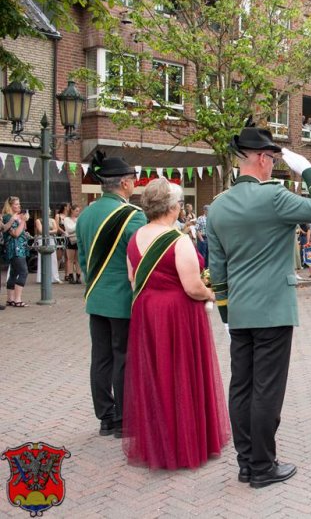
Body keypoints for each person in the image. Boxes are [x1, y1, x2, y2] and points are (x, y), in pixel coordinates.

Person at [206, 126, 311, 488]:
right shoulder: (274, 197)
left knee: (242, 387)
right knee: (267, 389)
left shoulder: (217, 206)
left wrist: (227, 314)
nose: (274, 166)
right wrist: (308, 169)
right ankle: (263, 466)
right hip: (274, 309)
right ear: (262, 158)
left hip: (239, 311)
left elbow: (217, 269)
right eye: (273, 159)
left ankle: (247, 462)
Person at [123, 178, 229, 470]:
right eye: (180, 203)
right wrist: (212, 293)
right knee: (181, 374)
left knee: (157, 376)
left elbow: (133, 279)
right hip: (177, 315)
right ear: (171, 207)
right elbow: (192, 287)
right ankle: (184, 443)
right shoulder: (177, 240)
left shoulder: (135, 237)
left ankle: (157, 442)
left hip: (146, 312)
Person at [77, 152, 148, 438]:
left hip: (96, 296)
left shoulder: (86, 214)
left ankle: (105, 417)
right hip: (122, 299)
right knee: (124, 357)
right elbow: (142, 257)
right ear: (125, 183)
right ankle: (123, 418)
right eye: (132, 179)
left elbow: (83, 259)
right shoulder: (132, 215)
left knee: (101, 358)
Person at [2, 197, 30, 307]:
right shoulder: (8, 217)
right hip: (15, 248)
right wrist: (23, 220)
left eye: (19, 204)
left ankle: (10, 299)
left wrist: (22, 221)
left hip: (20, 248)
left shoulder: (15, 217)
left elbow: (22, 231)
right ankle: (18, 299)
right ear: (10, 206)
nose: (19, 206)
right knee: (23, 272)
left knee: (14, 272)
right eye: (16, 204)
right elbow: (15, 234)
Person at [35, 209, 63, 284]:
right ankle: (42, 277)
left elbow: (56, 230)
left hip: (51, 239)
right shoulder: (38, 220)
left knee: (53, 258)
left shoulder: (52, 220)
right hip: (42, 239)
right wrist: (50, 231)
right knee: (42, 257)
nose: (49, 212)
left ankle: (54, 277)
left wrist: (48, 232)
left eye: (49, 210)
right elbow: (40, 231)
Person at [63, 204, 82, 284]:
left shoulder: (79, 219)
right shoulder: (67, 219)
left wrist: (75, 228)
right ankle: (70, 276)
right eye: (76, 211)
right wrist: (77, 226)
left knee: (78, 259)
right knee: (70, 259)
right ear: (72, 211)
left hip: (78, 240)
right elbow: (69, 229)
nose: (78, 212)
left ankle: (78, 276)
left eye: (79, 211)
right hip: (70, 240)